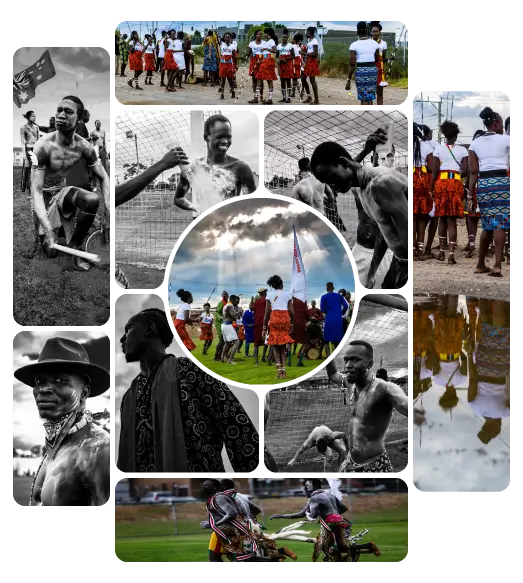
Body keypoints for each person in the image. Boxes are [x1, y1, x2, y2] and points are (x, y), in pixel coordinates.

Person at [118, 308, 262, 473]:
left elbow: (235, 423)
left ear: (149, 329)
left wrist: (256, 478)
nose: (123, 338)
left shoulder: (189, 371)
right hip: (142, 495)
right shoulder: (129, 397)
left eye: (128, 329)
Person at [14, 337, 111, 508]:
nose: (44, 389)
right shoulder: (57, 446)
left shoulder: (100, 451)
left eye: (60, 380)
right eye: (39, 381)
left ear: (84, 393)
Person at [311, 140, 408, 289]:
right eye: (326, 182)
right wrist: (371, 274)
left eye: (331, 178)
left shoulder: (380, 184)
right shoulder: (359, 187)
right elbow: (385, 230)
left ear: (344, 163)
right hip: (398, 260)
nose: (331, 185)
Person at [28, 96, 111, 271]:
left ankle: (75, 250)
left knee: (91, 199)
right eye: (59, 110)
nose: (61, 115)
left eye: (68, 111)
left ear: (79, 118)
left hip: (61, 191)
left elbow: (104, 177)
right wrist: (48, 230)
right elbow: (35, 191)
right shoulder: (43, 146)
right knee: (51, 252)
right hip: (42, 197)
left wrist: (107, 215)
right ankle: (49, 234)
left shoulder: (83, 146)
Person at [329, 340, 408, 472]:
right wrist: (327, 351)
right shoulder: (351, 384)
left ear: (369, 364)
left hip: (375, 466)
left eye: (355, 360)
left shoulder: (385, 389)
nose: (348, 365)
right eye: (346, 360)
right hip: (351, 462)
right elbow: (333, 375)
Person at [270, 480, 381, 562]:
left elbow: (311, 516)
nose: (304, 492)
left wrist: (325, 516)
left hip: (331, 524)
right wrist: (280, 515)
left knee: (336, 547)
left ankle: (368, 546)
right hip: (340, 521)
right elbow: (343, 508)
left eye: (305, 489)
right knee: (329, 546)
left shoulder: (314, 498)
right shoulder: (328, 495)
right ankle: (351, 554)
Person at [173, 114, 257, 216]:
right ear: (206, 137)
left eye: (228, 137)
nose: (225, 141)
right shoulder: (192, 167)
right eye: (219, 137)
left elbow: (254, 201)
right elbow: (178, 198)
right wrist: (195, 207)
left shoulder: (240, 167)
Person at [468, 107, 511, 277]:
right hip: (502, 182)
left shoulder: (474, 143)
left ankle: (480, 264)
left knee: (487, 225)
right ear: (496, 123)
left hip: (483, 184)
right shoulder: (508, 140)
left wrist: (470, 195)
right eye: (500, 123)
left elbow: (473, 172)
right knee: (500, 223)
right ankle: (497, 266)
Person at [219, 479, 298, 562]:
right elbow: (257, 509)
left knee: (243, 556)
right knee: (256, 551)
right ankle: (280, 552)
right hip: (253, 524)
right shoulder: (241, 495)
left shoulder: (225, 497)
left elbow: (231, 514)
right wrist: (252, 521)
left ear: (223, 487)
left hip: (243, 527)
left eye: (219, 486)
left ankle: (277, 558)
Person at [429, 120, 469, 265]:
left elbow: (434, 171)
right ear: (456, 135)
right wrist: (457, 175)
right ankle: (451, 253)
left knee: (441, 218)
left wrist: (431, 187)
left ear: (444, 135)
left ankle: (441, 252)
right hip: (455, 183)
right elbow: (465, 171)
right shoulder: (463, 150)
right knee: (452, 220)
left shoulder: (438, 149)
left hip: (441, 184)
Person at [200, 479, 260, 562]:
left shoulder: (219, 497)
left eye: (206, 485)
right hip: (228, 530)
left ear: (215, 487)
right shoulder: (237, 496)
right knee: (232, 558)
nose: (203, 487)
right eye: (203, 485)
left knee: (238, 558)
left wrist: (214, 524)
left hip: (229, 531)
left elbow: (232, 513)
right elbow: (256, 510)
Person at [264, 275, 295, 379]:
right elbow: (291, 311)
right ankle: (284, 369)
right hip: (285, 318)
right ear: (281, 284)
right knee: (283, 345)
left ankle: (278, 369)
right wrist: (292, 323)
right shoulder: (288, 294)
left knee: (275, 344)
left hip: (274, 318)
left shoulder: (269, 295)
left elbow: (267, 312)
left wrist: (264, 327)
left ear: (272, 285)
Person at [412, 122, 434, 260]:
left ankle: (412, 249)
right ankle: (421, 250)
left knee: (412, 217)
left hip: (410, 178)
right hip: (423, 179)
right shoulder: (426, 145)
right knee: (422, 216)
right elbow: (431, 167)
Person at [464, 129, 486, 258]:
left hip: (478, 186)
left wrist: (470, 192)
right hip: (482, 186)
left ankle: (475, 244)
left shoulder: (473, 153)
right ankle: (472, 244)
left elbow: (472, 172)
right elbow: (470, 173)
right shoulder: (475, 153)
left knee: (474, 216)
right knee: (472, 216)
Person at [347, 21, 379, 105]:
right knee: (370, 96)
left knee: (364, 98)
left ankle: (365, 116)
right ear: (367, 31)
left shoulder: (354, 45)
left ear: (357, 31)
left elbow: (352, 64)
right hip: (372, 71)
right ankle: (370, 116)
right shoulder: (375, 44)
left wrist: (348, 80)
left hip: (361, 72)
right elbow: (377, 59)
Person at [320, 282, 349, 358]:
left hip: (329, 320)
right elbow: (346, 306)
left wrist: (329, 311)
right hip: (338, 320)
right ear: (333, 288)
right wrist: (341, 313)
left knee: (326, 340)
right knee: (338, 340)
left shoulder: (324, 297)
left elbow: (322, 309)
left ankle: (329, 357)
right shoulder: (339, 296)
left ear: (326, 288)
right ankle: (338, 356)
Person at [250, 27, 278, 104]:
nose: (263, 34)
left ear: (268, 34)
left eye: (264, 33)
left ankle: (270, 98)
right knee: (259, 77)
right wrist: (261, 59)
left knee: (269, 80)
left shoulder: (271, 41)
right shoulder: (268, 41)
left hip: (269, 61)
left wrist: (266, 48)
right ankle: (256, 98)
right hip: (264, 60)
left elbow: (274, 50)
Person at [301, 26, 321, 104]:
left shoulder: (314, 41)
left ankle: (316, 100)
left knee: (312, 81)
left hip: (312, 62)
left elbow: (315, 54)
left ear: (310, 32)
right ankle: (309, 97)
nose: (306, 33)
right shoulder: (310, 41)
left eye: (307, 31)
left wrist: (304, 53)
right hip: (308, 62)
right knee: (303, 79)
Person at [221, 295, 242, 364]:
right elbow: (234, 315)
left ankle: (222, 358)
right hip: (228, 325)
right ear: (233, 299)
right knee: (237, 342)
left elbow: (233, 317)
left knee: (227, 343)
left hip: (224, 325)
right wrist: (239, 311)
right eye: (236, 300)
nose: (237, 301)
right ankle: (230, 360)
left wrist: (237, 315)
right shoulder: (230, 305)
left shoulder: (226, 305)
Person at [370, 21, 388, 105]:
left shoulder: (384, 43)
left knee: (379, 91)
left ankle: (379, 109)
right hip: (369, 67)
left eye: (376, 31)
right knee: (369, 90)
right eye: (373, 31)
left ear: (379, 32)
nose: (374, 33)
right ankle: (368, 110)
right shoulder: (368, 42)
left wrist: (388, 60)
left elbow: (383, 58)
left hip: (379, 68)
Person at [276, 29, 295, 103]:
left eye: (285, 37)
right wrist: (278, 60)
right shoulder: (279, 46)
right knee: (282, 81)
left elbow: (293, 56)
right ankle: (284, 97)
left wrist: (286, 59)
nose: (284, 38)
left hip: (287, 64)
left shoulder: (290, 46)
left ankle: (289, 98)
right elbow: (277, 55)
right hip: (281, 65)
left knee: (288, 80)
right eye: (283, 37)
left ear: (287, 38)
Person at [247, 29, 265, 102]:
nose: (260, 35)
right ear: (256, 35)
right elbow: (249, 53)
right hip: (254, 62)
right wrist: (247, 54)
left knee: (260, 79)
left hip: (261, 61)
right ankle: (255, 96)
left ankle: (260, 96)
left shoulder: (264, 43)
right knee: (254, 79)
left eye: (261, 34)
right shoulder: (251, 43)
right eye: (259, 34)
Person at [253, 287, 269, 365]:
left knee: (256, 343)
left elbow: (255, 313)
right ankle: (263, 357)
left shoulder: (256, 302)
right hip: (264, 324)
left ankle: (256, 361)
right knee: (267, 341)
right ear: (264, 293)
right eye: (266, 292)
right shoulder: (267, 301)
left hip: (257, 324)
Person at [218, 32, 236, 100]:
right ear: (224, 38)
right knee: (222, 79)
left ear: (230, 38)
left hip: (229, 64)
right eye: (226, 37)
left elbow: (234, 56)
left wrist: (234, 65)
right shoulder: (221, 44)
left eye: (228, 37)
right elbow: (217, 40)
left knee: (230, 79)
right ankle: (222, 94)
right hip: (223, 64)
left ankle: (233, 91)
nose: (227, 38)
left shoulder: (232, 46)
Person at [213, 291, 229, 361]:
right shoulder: (221, 303)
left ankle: (219, 356)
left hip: (225, 323)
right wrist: (221, 318)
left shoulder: (228, 303)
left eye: (226, 295)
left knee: (224, 340)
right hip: (219, 323)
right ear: (222, 296)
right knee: (221, 339)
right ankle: (216, 356)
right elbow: (216, 312)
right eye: (224, 295)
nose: (225, 296)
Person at [291, 33, 305, 98]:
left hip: (295, 63)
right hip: (298, 62)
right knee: (294, 78)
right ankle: (293, 92)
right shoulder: (299, 47)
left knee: (296, 78)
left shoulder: (294, 46)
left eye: (293, 39)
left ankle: (301, 92)